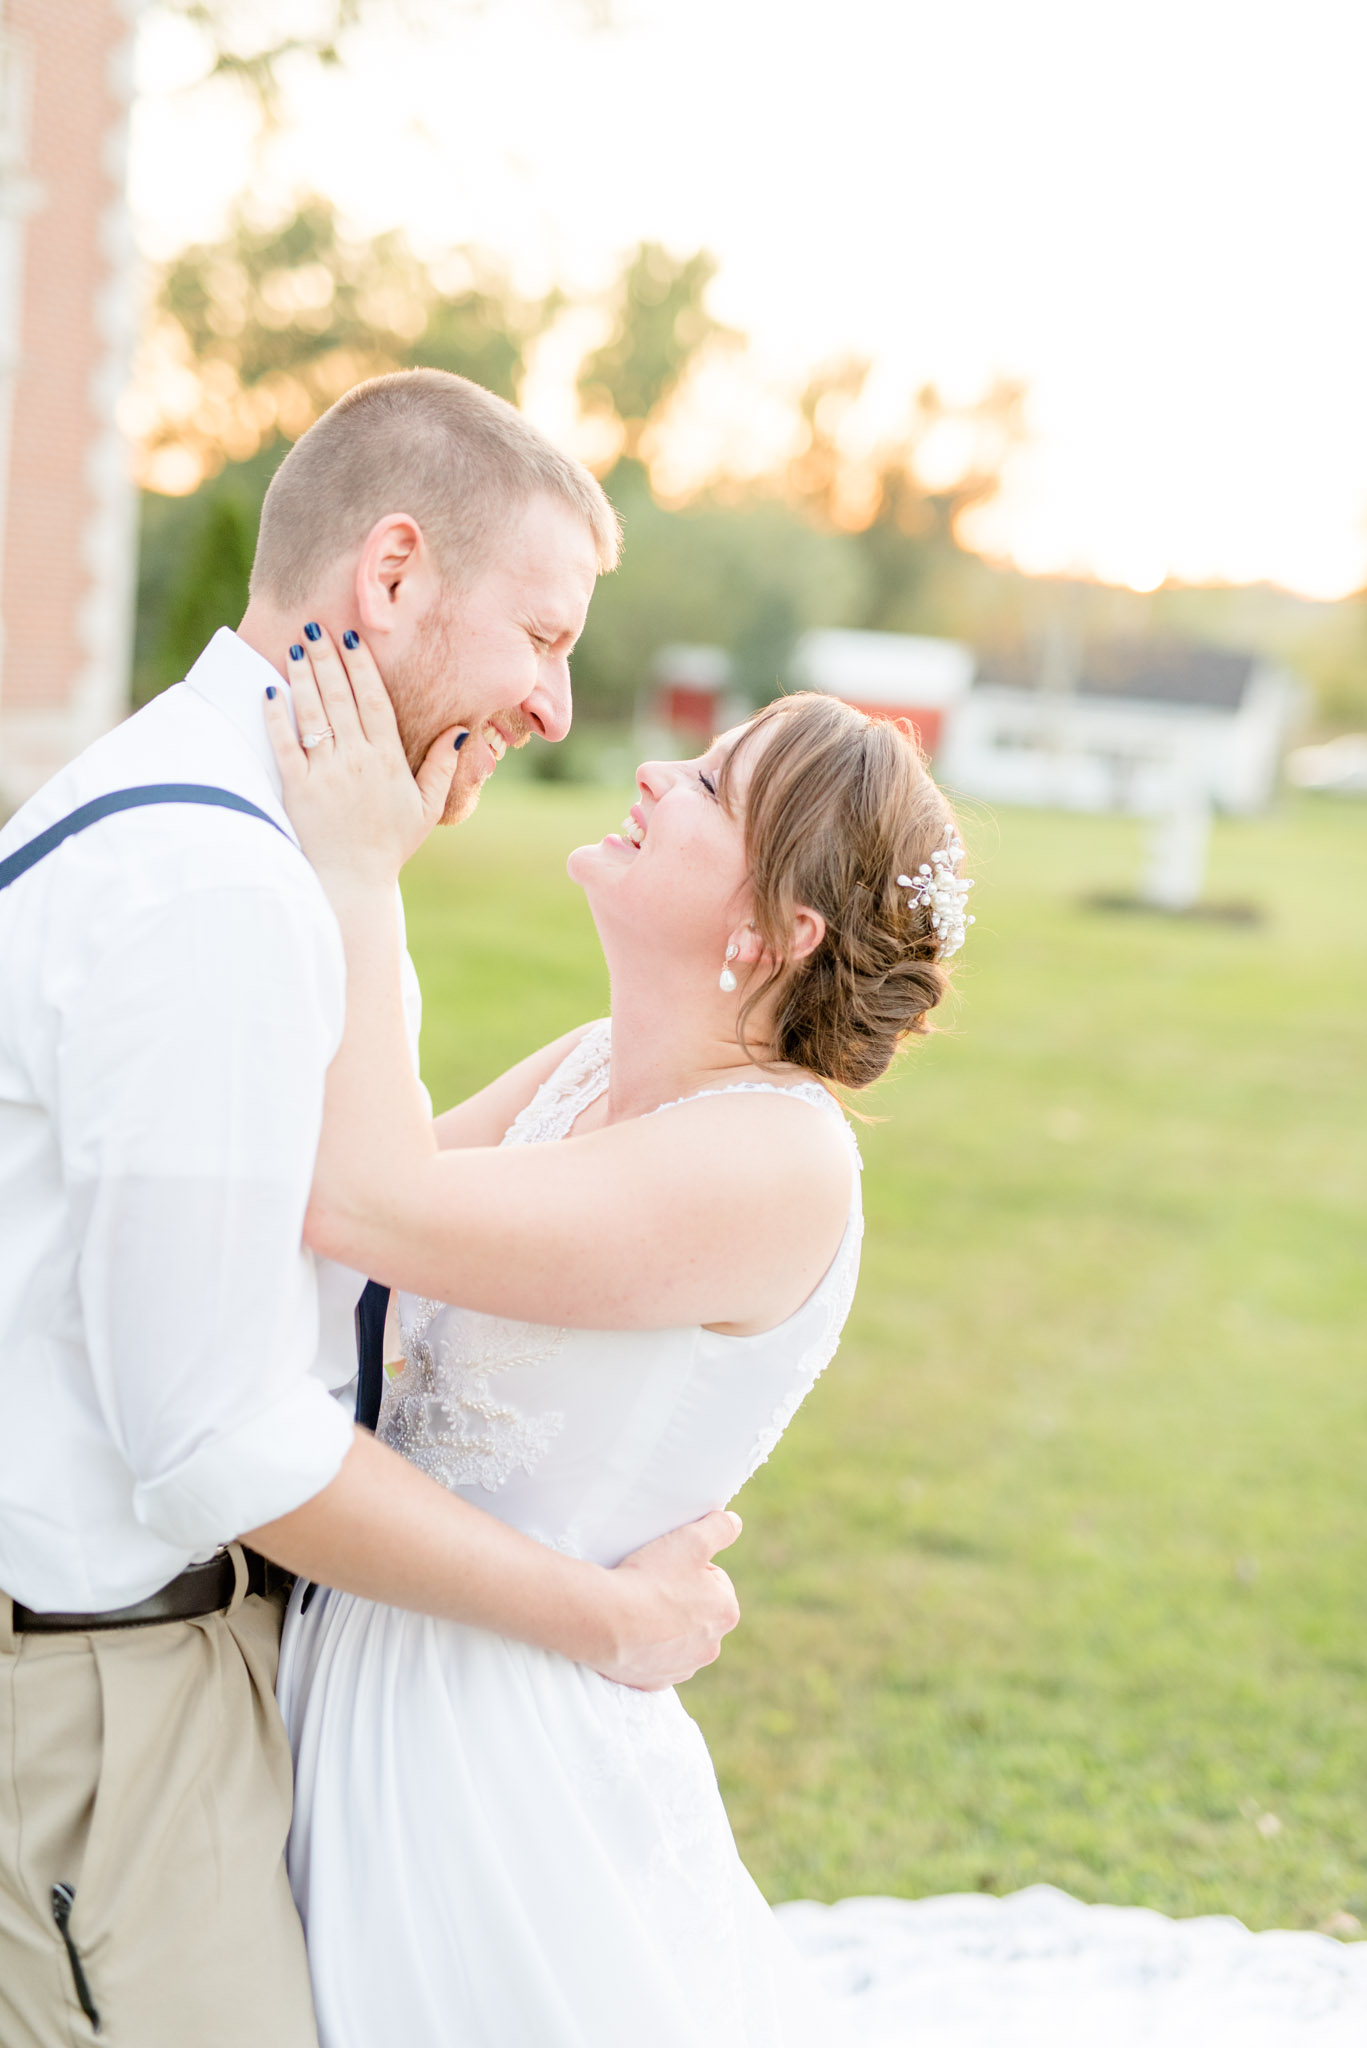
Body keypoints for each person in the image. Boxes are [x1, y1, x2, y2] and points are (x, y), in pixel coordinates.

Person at [0, 370, 740, 2048]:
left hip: (143, 1680)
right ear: (392, 577)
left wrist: (367, 883)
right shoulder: (210, 888)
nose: (557, 708)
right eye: (543, 637)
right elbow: (217, 1445)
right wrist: (608, 1618)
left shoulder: (242, 836)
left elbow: (353, 1210)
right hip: (88, 1715)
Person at [264, 624, 972, 2047]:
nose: (655, 774)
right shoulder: (586, 1062)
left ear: (779, 933)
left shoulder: (779, 1164)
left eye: (711, 785)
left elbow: (363, 1202)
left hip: (494, 1749)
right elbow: (307, 1195)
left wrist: (356, 872)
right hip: (353, 1655)